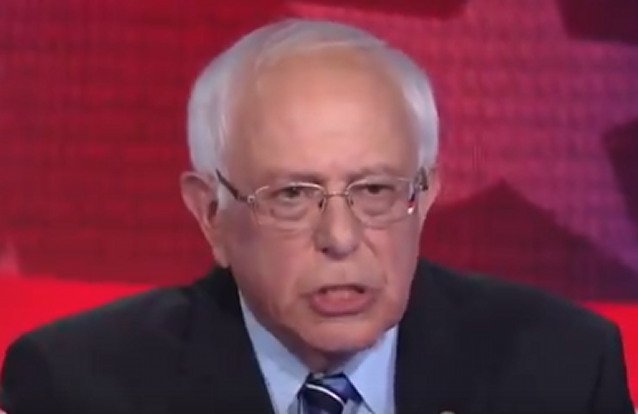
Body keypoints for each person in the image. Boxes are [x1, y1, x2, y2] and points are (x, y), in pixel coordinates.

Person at [0, 18, 634, 414]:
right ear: (211, 214)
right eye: (291, 196)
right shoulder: (78, 386)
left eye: (375, 190)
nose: (340, 237)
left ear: (426, 196)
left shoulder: (562, 369)